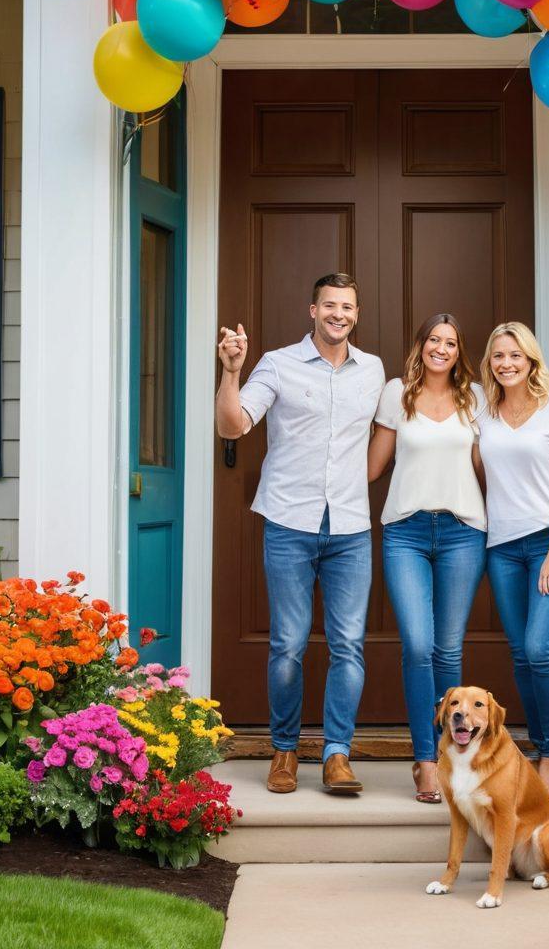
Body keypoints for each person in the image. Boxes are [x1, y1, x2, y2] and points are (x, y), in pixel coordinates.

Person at [215, 274, 385, 796]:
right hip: (289, 522)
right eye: (330, 305)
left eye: (348, 306)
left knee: (348, 646)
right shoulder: (278, 364)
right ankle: (284, 750)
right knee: (287, 644)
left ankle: (337, 754)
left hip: (351, 527)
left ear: (356, 314)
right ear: (312, 310)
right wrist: (231, 372)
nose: (339, 314)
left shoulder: (374, 370)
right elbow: (232, 425)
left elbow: (394, 430)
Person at [368, 314, 486, 804]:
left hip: (463, 531)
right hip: (406, 532)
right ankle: (424, 762)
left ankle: (454, 758)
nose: (441, 348)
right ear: (420, 345)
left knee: (449, 650)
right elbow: (373, 466)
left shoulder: (475, 398)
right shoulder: (397, 392)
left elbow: (486, 467)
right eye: (434, 340)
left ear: (460, 351)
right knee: (417, 645)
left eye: (451, 343)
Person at [476, 322, 549, 798]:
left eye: (516, 355)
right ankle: (544, 744)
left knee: (540, 647)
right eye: (499, 356)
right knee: (521, 652)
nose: (507, 363)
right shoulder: (484, 413)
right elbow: (480, 474)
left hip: (548, 542)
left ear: (531, 360)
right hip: (502, 547)